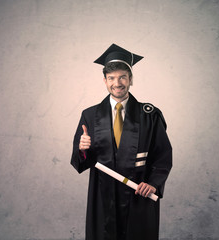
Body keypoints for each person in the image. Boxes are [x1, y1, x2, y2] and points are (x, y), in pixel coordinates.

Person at [71, 43, 172, 240]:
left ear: (130, 79)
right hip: (102, 197)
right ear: (104, 80)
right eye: (111, 78)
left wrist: (153, 184)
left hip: (138, 195)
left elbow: (163, 156)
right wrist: (83, 150)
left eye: (122, 77)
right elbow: (80, 162)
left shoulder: (149, 115)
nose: (117, 83)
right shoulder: (90, 115)